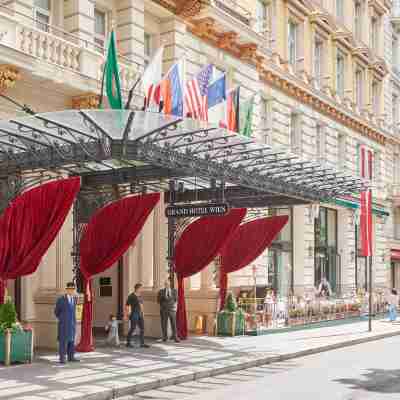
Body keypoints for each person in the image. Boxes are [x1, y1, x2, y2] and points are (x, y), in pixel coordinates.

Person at [54, 282, 79, 364]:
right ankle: (62, 358)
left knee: (71, 341)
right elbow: (56, 312)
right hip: (64, 324)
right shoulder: (61, 299)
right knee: (63, 341)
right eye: (70, 289)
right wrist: (62, 319)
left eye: (73, 289)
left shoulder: (74, 299)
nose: (71, 291)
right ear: (67, 289)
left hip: (72, 324)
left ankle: (71, 357)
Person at [125, 283, 149, 348]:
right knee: (132, 328)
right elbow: (127, 305)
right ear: (137, 288)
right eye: (141, 288)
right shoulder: (131, 296)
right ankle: (128, 342)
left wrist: (143, 312)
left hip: (140, 314)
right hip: (134, 314)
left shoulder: (140, 296)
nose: (141, 289)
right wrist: (127, 314)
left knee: (142, 328)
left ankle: (142, 343)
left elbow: (141, 305)